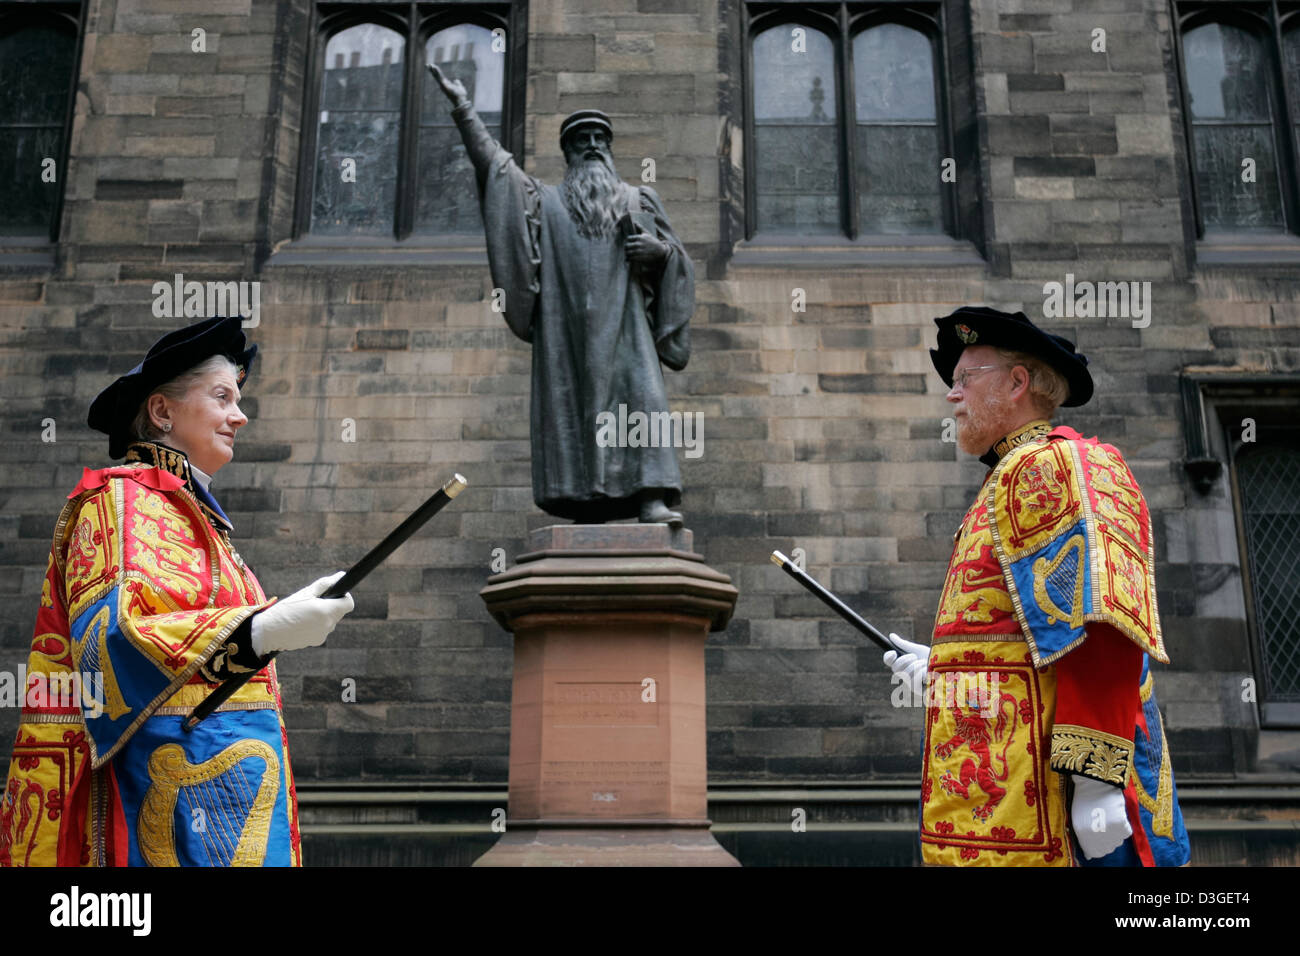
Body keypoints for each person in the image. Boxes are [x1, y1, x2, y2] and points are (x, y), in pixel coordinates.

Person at [0, 316, 354, 867]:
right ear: (162, 411)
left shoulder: (199, 520)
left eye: (238, 399)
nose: (240, 415)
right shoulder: (115, 501)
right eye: (221, 397)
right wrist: (262, 629)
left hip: (233, 802)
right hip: (156, 805)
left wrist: (279, 614)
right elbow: (106, 647)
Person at [884, 306, 1191, 867]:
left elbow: (1101, 622)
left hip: (1058, 804)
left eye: (964, 379)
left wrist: (1096, 780)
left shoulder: (1056, 463)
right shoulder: (1007, 478)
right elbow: (1024, 634)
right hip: (1001, 809)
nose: (952, 396)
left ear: (1018, 382)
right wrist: (946, 668)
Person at [429, 63, 695, 526]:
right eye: (581, 139)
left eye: (599, 139)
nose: (592, 146)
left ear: (609, 148)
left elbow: (679, 262)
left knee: (643, 399)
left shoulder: (640, 200)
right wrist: (464, 109)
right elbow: (495, 165)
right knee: (572, 410)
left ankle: (651, 496)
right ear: (568, 151)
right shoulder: (543, 202)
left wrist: (660, 254)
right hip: (566, 332)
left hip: (628, 331)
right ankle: (583, 503)